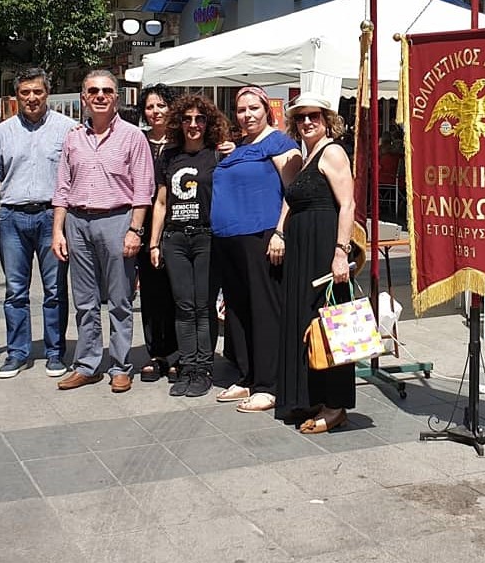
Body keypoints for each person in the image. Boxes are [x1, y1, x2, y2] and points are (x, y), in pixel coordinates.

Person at [52, 70, 154, 393]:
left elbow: (143, 190)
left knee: (120, 300)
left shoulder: (133, 137)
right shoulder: (73, 137)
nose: (100, 96)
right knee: (84, 300)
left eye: (107, 91)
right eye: (93, 90)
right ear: (84, 97)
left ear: (116, 98)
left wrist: (135, 230)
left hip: (117, 220)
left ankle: (121, 366)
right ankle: (87, 365)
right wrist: (58, 231)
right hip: (77, 222)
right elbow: (62, 187)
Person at [0, 68, 74, 379]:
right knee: (15, 290)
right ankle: (17, 353)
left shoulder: (67, 129)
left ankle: (55, 352)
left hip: (51, 218)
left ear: (47, 94)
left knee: (55, 290)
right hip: (12, 218)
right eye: (25, 92)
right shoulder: (3, 132)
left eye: (37, 92)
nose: (31, 98)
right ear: (16, 96)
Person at [211, 85, 301, 412]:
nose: (247, 115)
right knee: (238, 310)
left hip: (261, 236)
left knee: (264, 311)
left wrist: (280, 233)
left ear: (267, 110)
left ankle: (269, 384)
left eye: (253, 108)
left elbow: (293, 192)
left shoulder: (279, 143)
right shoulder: (239, 146)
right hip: (228, 239)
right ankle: (248, 375)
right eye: (241, 110)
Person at [273, 94, 356, 433]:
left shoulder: (332, 152)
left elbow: (348, 204)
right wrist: (280, 232)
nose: (307, 122)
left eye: (314, 116)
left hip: (323, 248)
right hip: (301, 250)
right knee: (308, 323)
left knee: (329, 323)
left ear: (326, 119)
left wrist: (340, 252)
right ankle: (313, 397)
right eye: (301, 117)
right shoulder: (305, 157)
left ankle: (335, 405)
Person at [149, 95, 232, 397]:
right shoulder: (169, 155)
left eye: (200, 119)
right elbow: (161, 202)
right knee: (183, 306)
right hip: (175, 239)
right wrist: (154, 243)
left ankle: (203, 368)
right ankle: (187, 365)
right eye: (187, 119)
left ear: (208, 123)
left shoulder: (217, 154)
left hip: (206, 237)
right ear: (179, 122)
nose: (193, 124)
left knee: (203, 305)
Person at [136, 83, 180, 383]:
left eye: (161, 105)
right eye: (150, 107)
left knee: (178, 290)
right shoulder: (137, 140)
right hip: (146, 221)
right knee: (151, 292)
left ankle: (178, 353)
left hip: (179, 223)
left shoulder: (185, 139)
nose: (155, 111)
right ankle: (156, 353)